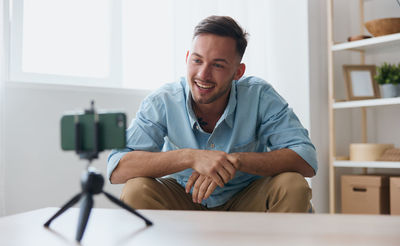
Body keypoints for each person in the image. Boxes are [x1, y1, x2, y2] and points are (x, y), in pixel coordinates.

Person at [107, 15, 317, 212]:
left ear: (238, 72)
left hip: (246, 197)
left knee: (293, 185)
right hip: (183, 196)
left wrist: (234, 161)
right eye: (197, 61)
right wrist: (190, 157)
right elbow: (117, 168)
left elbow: (306, 159)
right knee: (136, 189)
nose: (203, 74)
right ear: (187, 58)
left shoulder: (260, 96)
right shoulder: (163, 100)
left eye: (217, 65)